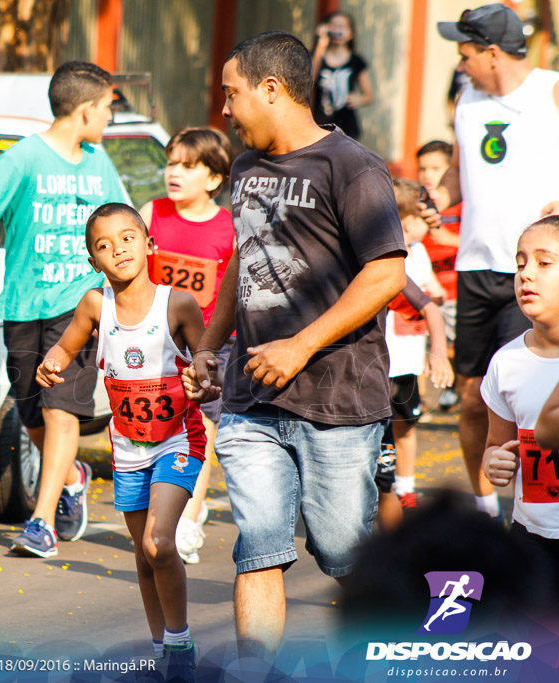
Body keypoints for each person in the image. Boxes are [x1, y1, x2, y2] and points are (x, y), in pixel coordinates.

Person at [184, 31, 407, 659]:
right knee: (257, 547)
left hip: (337, 399)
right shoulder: (247, 168)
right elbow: (242, 263)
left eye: (231, 95)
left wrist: (300, 346)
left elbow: (386, 273)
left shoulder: (352, 167)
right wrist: (207, 347)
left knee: (342, 551)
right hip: (252, 400)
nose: (223, 111)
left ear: (272, 90)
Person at [0, 61, 130, 558]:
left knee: (62, 409)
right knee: (33, 409)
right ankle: (72, 472)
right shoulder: (25, 159)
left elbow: (125, 227)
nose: (110, 120)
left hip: (79, 308)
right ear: (86, 109)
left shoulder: (99, 165)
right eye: (108, 109)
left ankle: (41, 522)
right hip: (24, 305)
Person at [36, 203, 205, 680]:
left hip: (177, 441)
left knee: (159, 543)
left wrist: (205, 379)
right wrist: (52, 362)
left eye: (127, 238)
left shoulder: (177, 304)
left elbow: (208, 360)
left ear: (149, 244)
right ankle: (160, 649)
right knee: (142, 555)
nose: (117, 250)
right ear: (94, 262)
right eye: (103, 246)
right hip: (128, 451)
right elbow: (66, 347)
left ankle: (179, 643)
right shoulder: (95, 305)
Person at [434, 3, 559, 522]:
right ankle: (487, 509)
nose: (460, 64)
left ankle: (534, 515)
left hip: (535, 271)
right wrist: (424, 206)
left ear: (491, 53)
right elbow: (456, 179)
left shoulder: (550, 90)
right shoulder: (467, 97)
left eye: (465, 53)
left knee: (532, 398)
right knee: (473, 398)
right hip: (474, 267)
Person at [139, 127, 235, 565]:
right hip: (156, 341)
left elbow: (234, 292)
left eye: (187, 166)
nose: (174, 173)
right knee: (158, 430)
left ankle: (189, 518)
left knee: (201, 431)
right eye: (171, 163)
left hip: (211, 346)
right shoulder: (151, 214)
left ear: (214, 178)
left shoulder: (228, 227)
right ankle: (159, 513)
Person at [480, 217, 559, 578]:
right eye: (520, 263)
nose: (526, 274)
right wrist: (493, 461)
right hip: (531, 539)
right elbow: (496, 443)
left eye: (544, 263)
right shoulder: (506, 362)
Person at [386, 179, 452, 512]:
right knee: (374, 433)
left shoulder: (421, 253)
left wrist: (433, 297)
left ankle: (406, 487)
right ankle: (376, 489)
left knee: (404, 426)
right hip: (378, 361)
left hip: (409, 359)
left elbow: (435, 290)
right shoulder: (381, 256)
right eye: (417, 222)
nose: (421, 229)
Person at [416, 140, 462, 410]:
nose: (428, 175)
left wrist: (448, 238)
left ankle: (451, 387)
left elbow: (479, 242)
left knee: (454, 346)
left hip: (455, 291)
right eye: (423, 169)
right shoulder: (417, 204)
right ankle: (419, 400)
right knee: (421, 344)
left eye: (436, 168)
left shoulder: (460, 204)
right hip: (424, 291)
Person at [310, 11, 373, 140]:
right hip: (320, 123)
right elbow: (309, 79)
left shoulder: (356, 61)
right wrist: (321, 45)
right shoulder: (317, 56)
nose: (337, 30)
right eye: (333, 25)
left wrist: (359, 99)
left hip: (347, 126)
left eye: (342, 27)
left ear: (351, 34)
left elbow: (369, 96)